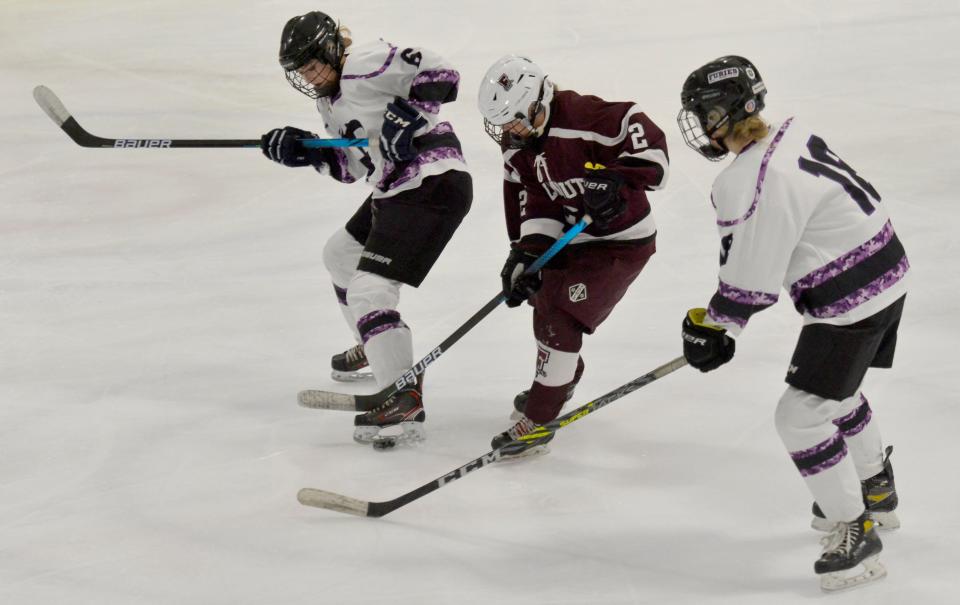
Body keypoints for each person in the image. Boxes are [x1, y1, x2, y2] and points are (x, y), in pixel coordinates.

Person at [676, 55, 907, 591]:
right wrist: (721, 322)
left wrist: (717, 327)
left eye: (706, 110)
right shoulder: (790, 135)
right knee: (837, 395)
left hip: (851, 300)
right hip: (888, 272)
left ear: (733, 109)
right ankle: (877, 487)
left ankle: (858, 532)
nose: (700, 124)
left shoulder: (750, 177)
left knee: (800, 417)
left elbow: (751, 277)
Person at [261, 11, 472, 447]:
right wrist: (306, 150)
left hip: (432, 179)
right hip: (395, 188)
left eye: (312, 63)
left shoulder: (365, 62)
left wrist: (412, 113)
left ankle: (401, 394)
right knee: (338, 256)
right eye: (300, 69)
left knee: (369, 291)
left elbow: (443, 73)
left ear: (332, 50)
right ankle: (381, 349)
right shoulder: (327, 100)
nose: (309, 74)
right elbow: (353, 167)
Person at [476, 55, 669, 457]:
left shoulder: (584, 116)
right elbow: (536, 200)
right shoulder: (517, 145)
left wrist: (619, 180)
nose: (512, 130)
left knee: (562, 315)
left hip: (621, 242)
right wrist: (528, 252)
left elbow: (646, 140)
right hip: (572, 236)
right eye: (505, 122)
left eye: (518, 118)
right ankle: (561, 381)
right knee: (541, 298)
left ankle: (540, 421)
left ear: (541, 97)